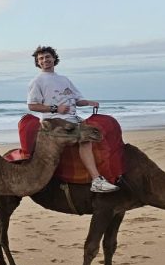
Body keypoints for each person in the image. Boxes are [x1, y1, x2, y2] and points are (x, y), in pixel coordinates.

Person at [27, 46, 118, 193]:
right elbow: (32, 106)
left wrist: (88, 102)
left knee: (101, 129)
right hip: (54, 121)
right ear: (38, 63)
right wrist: (55, 108)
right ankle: (96, 181)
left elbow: (77, 100)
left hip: (73, 119)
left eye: (47, 57)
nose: (45, 60)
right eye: (41, 59)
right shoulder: (37, 81)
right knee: (86, 137)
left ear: (54, 59)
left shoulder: (64, 79)